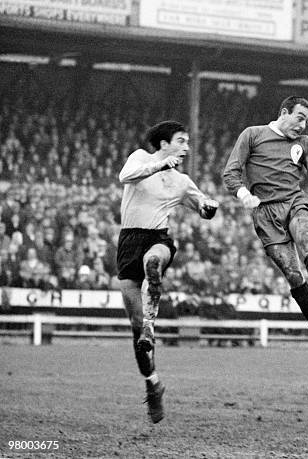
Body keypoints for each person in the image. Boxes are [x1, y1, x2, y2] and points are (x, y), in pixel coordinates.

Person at [223, 96, 308, 359]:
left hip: (294, 201)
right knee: (293, 274)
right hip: (265, 213)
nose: (303, 125)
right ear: (284, 113)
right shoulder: (253, 135)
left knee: (305, 238)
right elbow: (230, 172)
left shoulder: (305, 144)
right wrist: (243, 194)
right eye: (300, 118)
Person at [117, 120, 218, 423]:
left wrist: (208, 207)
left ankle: (151, 325)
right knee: (136, 330)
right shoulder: (140, 158)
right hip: (128, 242)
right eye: (181, 141)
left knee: (154, 262)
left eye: (187, 141)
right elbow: (126, 176)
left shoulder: (181, 180)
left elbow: (200, 204)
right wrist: (160, 166)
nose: (186, 147)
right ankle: (153, 384)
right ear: (163, 144)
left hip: (157, 238)